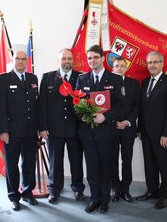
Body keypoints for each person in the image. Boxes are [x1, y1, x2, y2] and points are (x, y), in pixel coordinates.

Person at [76, 45, 125, 213]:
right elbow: (77, 102)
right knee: (91, 168)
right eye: (89, 58)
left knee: (105, 167)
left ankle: (104, 199)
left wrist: (106, 117)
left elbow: (121, 106)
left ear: (103, 58)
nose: (92, 61)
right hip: (88, 133)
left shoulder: (115, 80)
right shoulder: (82, 79)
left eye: (95, 57)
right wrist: (82, 115)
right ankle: (94, 199)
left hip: (107, 132)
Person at [39, 48, 85, 203]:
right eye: (64, 58)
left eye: (69, 58)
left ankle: (78, 188)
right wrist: (43, 127)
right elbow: (42, 104)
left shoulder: (81, 77)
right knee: (55, 161)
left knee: (76, 161)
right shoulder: (47, 78)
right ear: (58, 61)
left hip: (75, 128)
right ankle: (54, 189)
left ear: (73, 60)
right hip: (54, 128)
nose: (67, 61)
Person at [0, 51, 39, 211]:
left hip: (30, 131)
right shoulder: (4, 79)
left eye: (23, 59)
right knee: (12, 165)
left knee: (29, 164)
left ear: (27, 61)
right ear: (12, 61)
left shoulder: (33, 79)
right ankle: (14, 196)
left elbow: (36, 106)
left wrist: (39, 128)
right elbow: (0, 108)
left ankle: (27, 193)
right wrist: (3, 131)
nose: (21, 62)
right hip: (11, 132)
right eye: (17, 59)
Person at [136, 51, 167, 209]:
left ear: (162, 64)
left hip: (162, 134)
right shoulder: (145, 81)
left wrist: (166, 133)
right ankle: (152, 191)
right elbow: (142, 108)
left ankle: (164, 195)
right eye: (149, 63)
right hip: (146, 132)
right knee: (149, 164)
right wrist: (140, 129)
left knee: (164, 165)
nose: (152, 65)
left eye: (155, 62)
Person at [111, 57, 140, 203]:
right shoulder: (107, 83)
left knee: (127, 160)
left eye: (122, 66)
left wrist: (127, 122)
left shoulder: (134, 84)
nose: (119, 69)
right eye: (116, 66)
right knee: (113, 160)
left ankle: (126, 189)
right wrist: (113, 121)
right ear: (112, 67)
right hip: (112, 128)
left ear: (126, 68)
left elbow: (137, 105)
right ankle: (115, 188)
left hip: (128, 128)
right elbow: (104, 105)